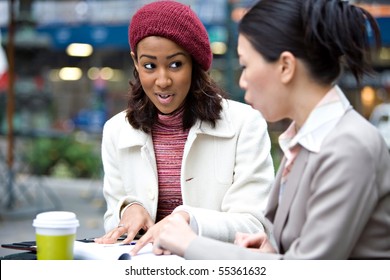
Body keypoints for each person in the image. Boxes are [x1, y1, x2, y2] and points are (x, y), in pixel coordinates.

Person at [154, 0, 390, 259]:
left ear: (286, 67)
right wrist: (272, 248)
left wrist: (190, 244)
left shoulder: (349, 147)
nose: (241, 81)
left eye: (245, 65)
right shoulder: (307, 142)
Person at [94, 0, 275, 256]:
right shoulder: (116, 131)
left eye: (176, 64)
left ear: (194, 63)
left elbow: (256, 224)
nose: (163, 80)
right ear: (135, 63)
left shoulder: (245, 123)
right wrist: (128, 209)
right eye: (149, 66)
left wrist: (188, 219)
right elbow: (113, 222)